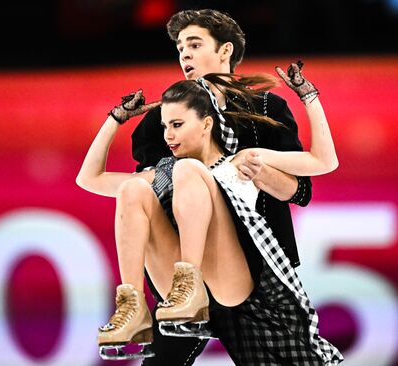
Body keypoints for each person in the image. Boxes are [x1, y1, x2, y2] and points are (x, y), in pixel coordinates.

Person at [76, 62, 343, 364]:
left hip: (236, 283)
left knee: (188, 169)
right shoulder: (163, 171)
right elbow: (89, 179)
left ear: (206, 124)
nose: (168, 136)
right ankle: (132, 306)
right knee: (132, 190)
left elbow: (324, 161)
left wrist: (308, 96)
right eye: (164, 127)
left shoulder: (241, 160)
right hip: (179, 294)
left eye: (177, 125)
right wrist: (117, 118)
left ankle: (191, 286)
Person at [129, 9, 319, 365]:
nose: (183, 53)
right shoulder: (162, 120)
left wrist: (257, 169)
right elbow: (147, 189)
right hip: (185, 267)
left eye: (194, 44)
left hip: (253, 271)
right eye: (180, 47)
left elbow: (300, 192)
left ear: (225, 50)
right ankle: (139, 300)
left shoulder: (266, 108)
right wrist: (115, 122)